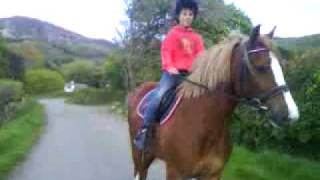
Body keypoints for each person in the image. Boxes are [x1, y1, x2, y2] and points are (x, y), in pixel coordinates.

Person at [134, 0, 205, 150]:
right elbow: (166, 52)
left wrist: (201, 70)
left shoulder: (197, 38)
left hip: (191, 76)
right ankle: (144, 131)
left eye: (190, 14)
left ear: (193, 16)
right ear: (179, 15)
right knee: (159, 95)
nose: (187, 17)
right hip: (172, 74)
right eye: (184, 13)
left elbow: (201, 57)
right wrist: (170, 67)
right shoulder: (173, 34)